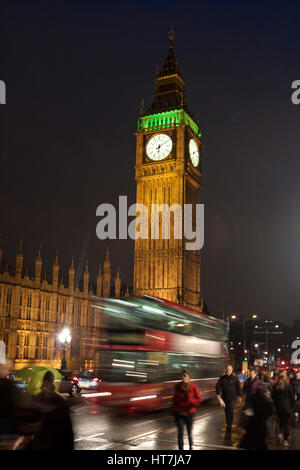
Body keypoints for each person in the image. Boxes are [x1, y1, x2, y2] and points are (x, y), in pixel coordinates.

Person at [29, 370, 74, 450]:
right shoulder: (59, 400)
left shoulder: (38, 398)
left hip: (43, 441)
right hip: (56, 441)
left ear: (44, 381)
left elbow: (31, 420)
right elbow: (67, 428)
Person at [239, 381, 274, 450]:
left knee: (247, 444)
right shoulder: (267, 399)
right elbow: (270, 412)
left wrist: (242, 424)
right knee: (261, 444)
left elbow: (246, 410)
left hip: (252, 425)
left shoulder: (253, 397)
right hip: (261, 426)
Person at [173, 369, 201, 450]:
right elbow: (174, 399)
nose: (183, 377)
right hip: (180, 414)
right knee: (180, 433)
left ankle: (190, 446)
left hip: (189, 413)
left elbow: (199, 399)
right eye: (182, 376)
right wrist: (176, 408)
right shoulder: (177, 387)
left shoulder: (193, 387)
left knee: (189, 432)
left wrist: (191, 402)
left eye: (185, 376)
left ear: (189, 377)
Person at [0, 359, 23, 449]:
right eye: (5, 368)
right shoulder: (10, 386)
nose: (8, 371)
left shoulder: (10, 385)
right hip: (8, 428)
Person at [216, 364, 242, 433]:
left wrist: (240, 395)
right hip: (224, 398)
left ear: (232, 370)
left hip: (233, 399)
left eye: (229, 369)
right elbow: (218, 386)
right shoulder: (222, 378)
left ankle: (229, 425)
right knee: (226, 412)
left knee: (230, 410)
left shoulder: (235, 378)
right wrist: (218, 394)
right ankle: (228, 424)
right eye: (227, 369)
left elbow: (238, 387)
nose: (228, 371)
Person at [272, 372, 295, 447]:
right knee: (286, 424)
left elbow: (273, 397)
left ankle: (279, 434)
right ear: (285, 377)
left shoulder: (275, 386)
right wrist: (293, 408)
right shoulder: (288, 386)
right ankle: (285, 441)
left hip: (278, 407)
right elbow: (292, 398)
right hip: (287, 408)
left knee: (279, 422)